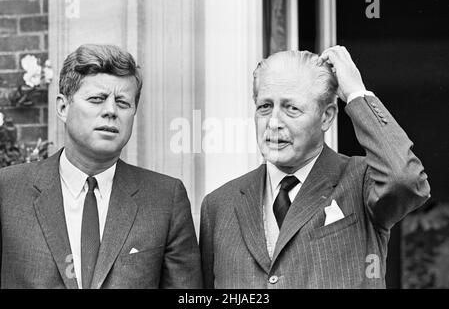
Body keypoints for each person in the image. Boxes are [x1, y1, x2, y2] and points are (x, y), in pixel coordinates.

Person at [199, 46, 430, 288]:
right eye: (265, 106)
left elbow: (406, 179)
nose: (274, 122)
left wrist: (356, 93)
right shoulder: (219, 206)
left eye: (292, 108)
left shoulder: (360, 181)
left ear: (327, 117)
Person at [0, 44, 202, 289]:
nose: (110, 111)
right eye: (97, 99)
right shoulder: (7, 192)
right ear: (63, 108)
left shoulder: (165, 200)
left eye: (123, 103)